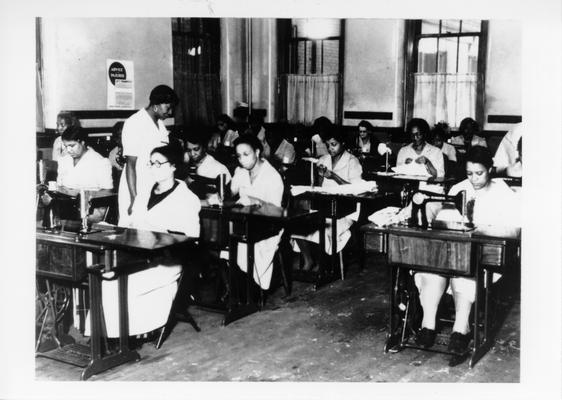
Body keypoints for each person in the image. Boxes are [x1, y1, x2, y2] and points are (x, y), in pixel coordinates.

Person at [413, 146, 520, 354]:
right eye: (469, 173)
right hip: (453, 251)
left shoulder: (503, 193)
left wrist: (482, 228)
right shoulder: (458, 189)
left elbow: (514, 230)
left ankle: (460, 328)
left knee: (464, 275)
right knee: (431, 271)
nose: (474, 179)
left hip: (484, 256)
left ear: (490, 169)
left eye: (479, 173)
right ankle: (428, 325)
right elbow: (444, 222)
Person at [89, 143, 201, 338]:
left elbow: (191, 236)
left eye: (158, 163)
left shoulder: (187, 198)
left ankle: (126, 335)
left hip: (166, 262)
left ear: (173, 166)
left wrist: (161, 234)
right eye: (151, 164)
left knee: (120, 283)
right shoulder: (143, 194)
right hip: (136, 257)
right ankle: (110, 336)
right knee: (107, 278)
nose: (153, 168)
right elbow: (128, 224)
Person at [293, 127, 363, 270]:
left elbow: (356, 190)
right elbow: (319, 186)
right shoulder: (324, 159)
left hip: (345, 209)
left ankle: (324, 264)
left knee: (323, 229)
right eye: (328, 145)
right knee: (299, 225)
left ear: (343, 143)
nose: (330, 148)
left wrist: (334, 176)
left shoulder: (352, 161)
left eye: (334, 144)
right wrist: (318, 178)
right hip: (324, 204)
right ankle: (308, 260)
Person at [229, 134, 285, 290]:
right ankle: (234, 287)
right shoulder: (241, 172)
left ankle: (249, 288)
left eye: (246, 154)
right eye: (239, 156)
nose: (242, 159)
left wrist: (257, 201)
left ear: (258, 152)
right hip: (244, 223)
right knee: (223, 241)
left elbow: (276, 212)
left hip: (268, 227)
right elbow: (231, 194)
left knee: (238, 245)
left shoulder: (272, 176)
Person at [118, 85, 179, 225]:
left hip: (154, 182)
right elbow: (130, 165)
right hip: (136, 184)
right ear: (156, 105)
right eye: (168, 108)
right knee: (132, 228)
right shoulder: (135, 122)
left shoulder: (160, 125)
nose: (170, 112)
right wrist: (134, 198)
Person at [56, 125, 113, 191]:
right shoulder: (64, 160)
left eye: (72, 146)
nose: (68, 150)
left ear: (82, 142)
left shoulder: (100, 162)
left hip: (89, 200)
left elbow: (107, 192)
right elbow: (59, 185)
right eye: (66, 146)